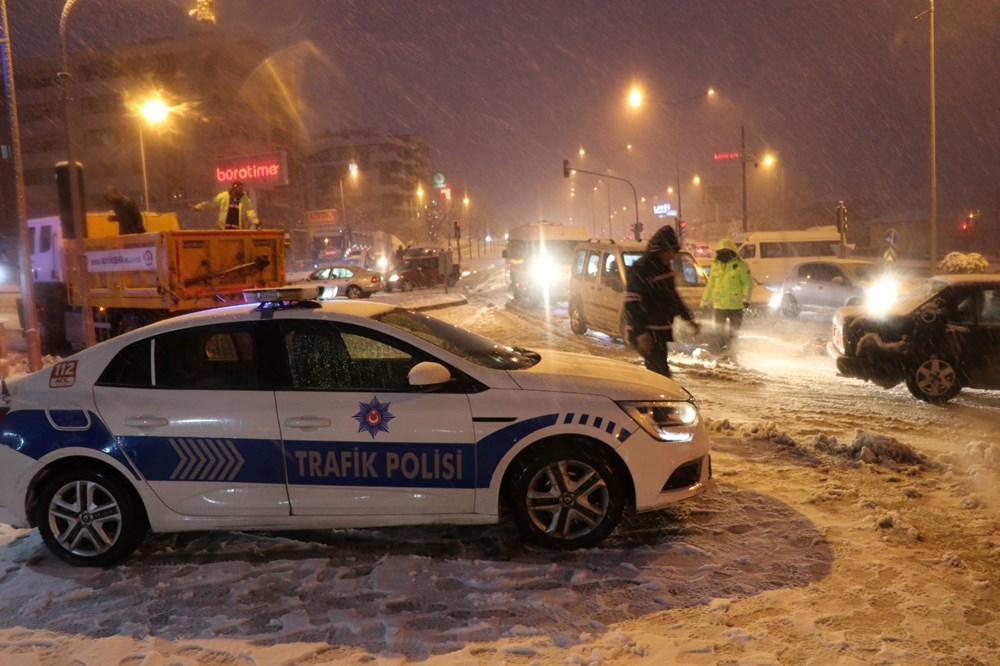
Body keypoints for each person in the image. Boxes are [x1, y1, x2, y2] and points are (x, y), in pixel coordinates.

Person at [624, 225, 700, 378]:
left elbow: (673, 297)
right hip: (648, 332)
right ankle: (655, 400)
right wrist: (641, 333)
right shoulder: (641, 269)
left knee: (660, 374)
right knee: (660, 375)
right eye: (669, 251)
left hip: (661, 331)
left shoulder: (664, 268)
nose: (672, 255)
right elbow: (632, 304)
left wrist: (688, 319)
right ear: (660, 249)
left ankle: (656, 399)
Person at [700, 238, 751, 360]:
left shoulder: (740, 266)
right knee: (718, 332)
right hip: (719, 306)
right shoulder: (715, 266)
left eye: (725, 251)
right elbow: (710, 285)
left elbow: (747, 283)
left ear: (731, 252)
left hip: (735, 306)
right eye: (721, 252)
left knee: (733, 332)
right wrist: (704, 301)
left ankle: (732, 353)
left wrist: (746, 299)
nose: (723, 254)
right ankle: (719, 353)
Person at [191, 181, 259, 229]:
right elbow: (211, 203)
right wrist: (199, 206)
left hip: (238, 231)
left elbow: (250, 212)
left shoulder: (245, 199)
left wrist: (256, 222)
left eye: (242, 188)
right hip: (224, 230)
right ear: (234, 188)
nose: (241, 190)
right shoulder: (224, 196)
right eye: (240, 188)